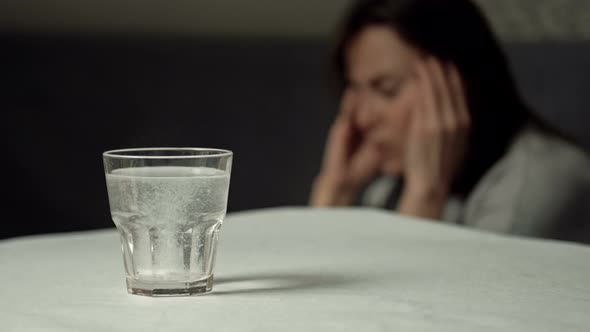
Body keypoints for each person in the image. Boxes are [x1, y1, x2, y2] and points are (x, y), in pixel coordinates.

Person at [310, 0, 590, 243]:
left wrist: (424, 197)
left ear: (456, 84)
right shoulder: (389, 188)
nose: (361, 117)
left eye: (387, 89)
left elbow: (399, 303)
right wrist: (336, 192)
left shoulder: (538, 187)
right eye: (355, 90)